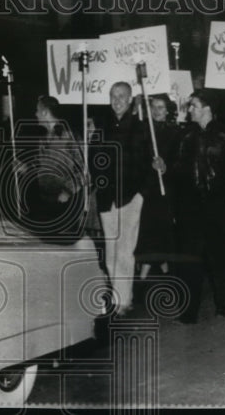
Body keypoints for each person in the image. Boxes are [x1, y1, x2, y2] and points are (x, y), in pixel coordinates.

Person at [172, 88, 225, 322]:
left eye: (194, 106)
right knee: (190, 260)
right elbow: (176, 171)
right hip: (190, 207)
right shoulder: (184, 136)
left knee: (218, 256)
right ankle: (189, 311)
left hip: (216, 206)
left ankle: (221, 303)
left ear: (207, 109)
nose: (189, 110)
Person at [92, 82, 155, 316]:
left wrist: (141, 195)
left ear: (130, 100)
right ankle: (118, 295)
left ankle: (124, 299)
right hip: (107, 198)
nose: (117, 100)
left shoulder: (141, 129)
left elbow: (151, 164)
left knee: (125, 249)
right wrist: (98, 184)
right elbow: (93, 159)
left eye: (122, 96)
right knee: (111, 250)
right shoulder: (102, 126)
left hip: (130, 197)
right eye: (113, 95)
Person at [21, 96, 85, 236]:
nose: (35, 114)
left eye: (37, 111)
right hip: (47, 200)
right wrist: (26, 168)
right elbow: (42, 165)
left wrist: (68, 191)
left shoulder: (69, 134)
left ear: (45, 112)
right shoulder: (43, 138)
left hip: (66, 200)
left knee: (64, 244)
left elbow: (83, 168)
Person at [136, 94, 179, 280]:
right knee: (147, 230)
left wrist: (166, 166)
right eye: (153, 107)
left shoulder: (175, 132)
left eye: (160, 107)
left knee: (163, 230)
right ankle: (147, 274)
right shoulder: (143, 129)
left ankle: (165, 270)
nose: (156, 111)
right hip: (148, 188)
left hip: (167, 189)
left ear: (168, 109)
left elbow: (179, 160)